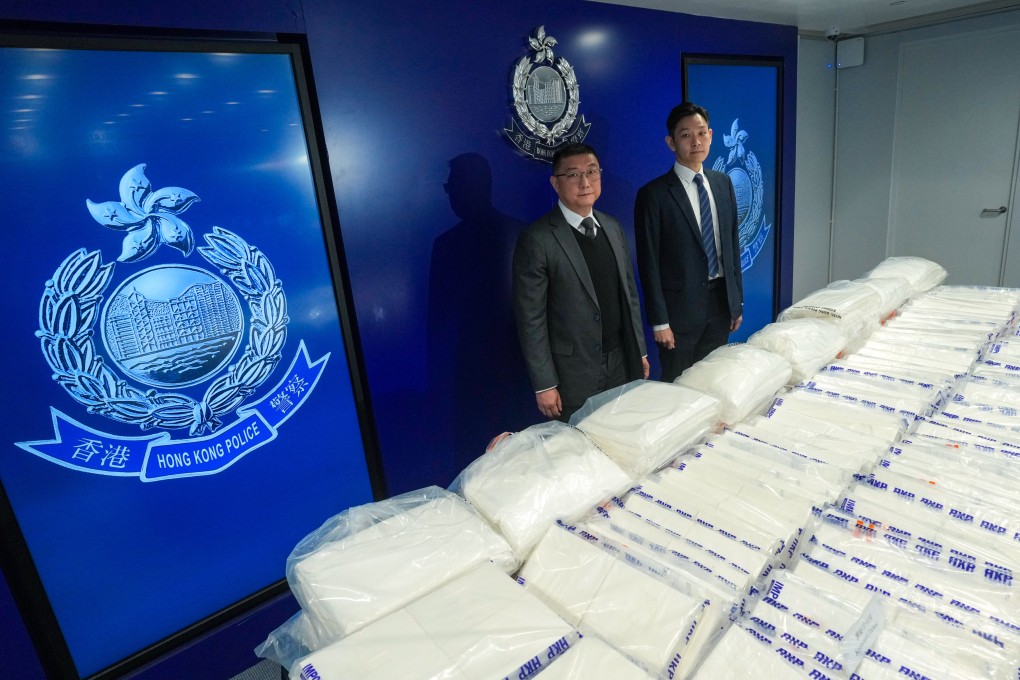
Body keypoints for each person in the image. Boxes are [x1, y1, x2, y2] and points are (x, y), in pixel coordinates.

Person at [513, 143, 649, 422]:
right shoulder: (538, 238)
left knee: (622, 436)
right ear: (555, 183)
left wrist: (640, 351)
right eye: (573, 175)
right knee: (581, 453)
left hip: (621, 361)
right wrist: (545, 383)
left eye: (592, 172)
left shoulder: (612, 227)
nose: (585, 182)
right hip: (572, 373)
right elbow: (531, 318)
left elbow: (629, 296)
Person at [635, 102, 743, 383]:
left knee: (715, 380)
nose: (696, 141)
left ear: (711, 134)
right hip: (678, 315)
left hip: (720, 304)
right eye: (685, 135)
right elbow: (649, 264)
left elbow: (732, 247)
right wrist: (660, 322)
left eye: (701, 133)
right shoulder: (654, 194)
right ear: (671, 142)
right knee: (679, 385)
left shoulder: (723, 183)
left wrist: (735, 302)